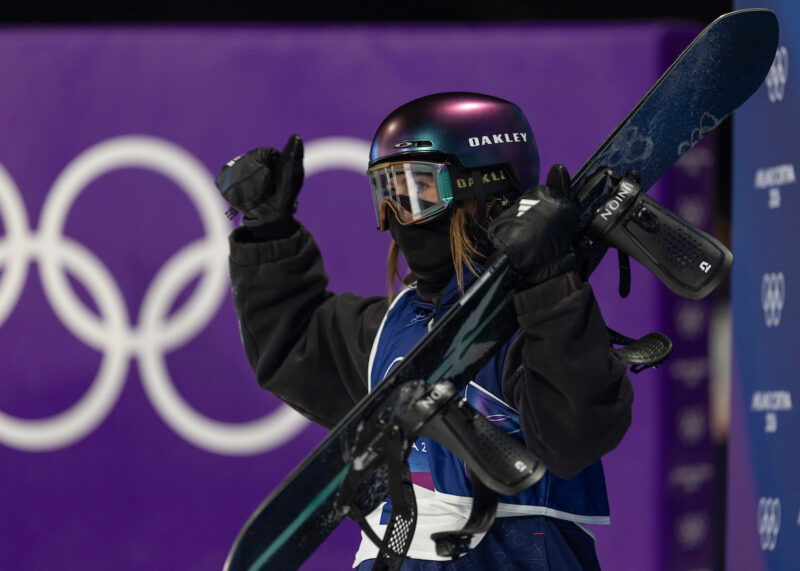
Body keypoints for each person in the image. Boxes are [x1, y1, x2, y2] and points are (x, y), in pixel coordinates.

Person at [216, 92, 633, 570]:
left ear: (485, 190)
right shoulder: (391, 327)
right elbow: (296, 345)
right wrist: (270, 232)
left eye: (416, 192)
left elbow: (575, 433)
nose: (396, 216)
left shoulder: (536, 323)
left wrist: (554, 288)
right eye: (385, 193)